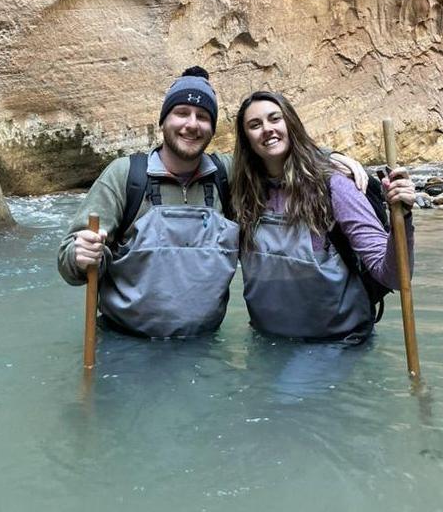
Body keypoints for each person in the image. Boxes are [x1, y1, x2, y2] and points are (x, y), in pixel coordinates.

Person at [57, 68, 367, 339]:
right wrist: (80, 256)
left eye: (203, 117)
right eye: (181, 113)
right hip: (126, 346)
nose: (192, 124)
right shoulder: (126, 175)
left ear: (212, 128)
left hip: (205, 349)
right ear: (163, 120)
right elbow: (71, 263)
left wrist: (326, 157)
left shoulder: (227, 175)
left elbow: (276, 151)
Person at [231, 90, 416, 343]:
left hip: (336, 341)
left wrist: (402, 218)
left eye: (275, 119)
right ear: (246, 139)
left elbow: (392, 276)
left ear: (291, 124)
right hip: (268, 341)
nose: (267, 129)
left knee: (290, 385)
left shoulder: (334, 186)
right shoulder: (244, 195)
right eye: (255, 125)